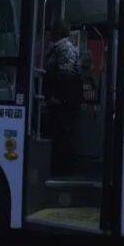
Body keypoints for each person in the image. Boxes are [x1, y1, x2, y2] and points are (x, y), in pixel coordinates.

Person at [44, 21, 83, 176]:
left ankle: (63, 168)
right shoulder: (58, 48)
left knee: (63, 134)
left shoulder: (65, 48)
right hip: (61, 100)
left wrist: (57, 97)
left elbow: (65, 77)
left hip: (64, 101)